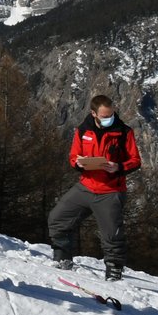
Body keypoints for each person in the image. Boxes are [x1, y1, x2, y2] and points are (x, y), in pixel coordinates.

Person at [47, 94, 142, 281]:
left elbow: (135, 160)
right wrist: (79, 163)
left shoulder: (124, 132)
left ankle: (114, 274)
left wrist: (119, 167)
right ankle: (62, 260)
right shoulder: (82, 131)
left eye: (112, 115)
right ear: (93, 113)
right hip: (86, 187)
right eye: (105, 116)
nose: (109, 119)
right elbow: (74, 156)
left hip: (111, 191)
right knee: (57, 219)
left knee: (112, 236)